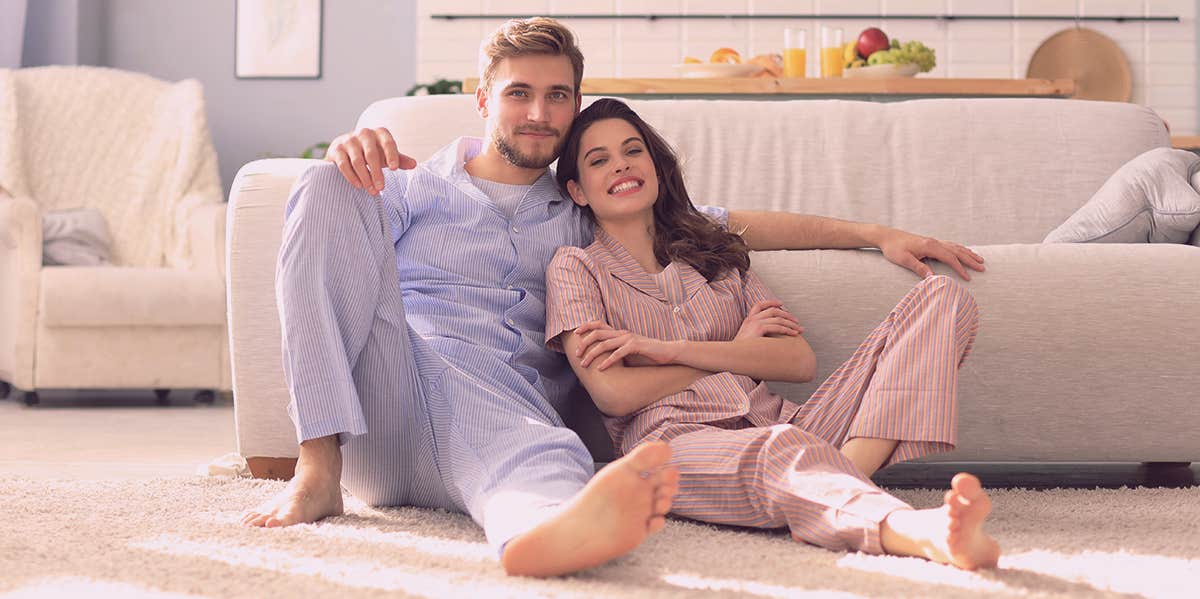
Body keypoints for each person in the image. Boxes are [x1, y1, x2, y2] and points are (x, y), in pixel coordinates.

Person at [241, 17, 985, 577]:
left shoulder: (584, 212)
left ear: (573, 106)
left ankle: (554, 522)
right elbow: (335, 240)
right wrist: (350, 152)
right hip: (396, 398)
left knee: (536, 434)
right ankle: (318, 470)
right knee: (324, 184)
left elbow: (730, 222)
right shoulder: (408, 188)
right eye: (519, 93)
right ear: (480, 100)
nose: (539, 112)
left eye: (557, 96)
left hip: (506, 424)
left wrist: (873, 232)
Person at [545, 98, 1000, 569]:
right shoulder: (576, 268)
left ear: (654, 168)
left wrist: (665, 351)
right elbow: (613, 394)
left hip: (782, 421)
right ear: (578, 191)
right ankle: (915, 531)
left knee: (943, 298)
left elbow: (796, 362)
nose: (621, 164)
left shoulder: (712, 251)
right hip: (674, 445)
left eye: (632, 150)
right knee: (784, 450)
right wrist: (739, 351)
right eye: (599, 160)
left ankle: (835, 483)